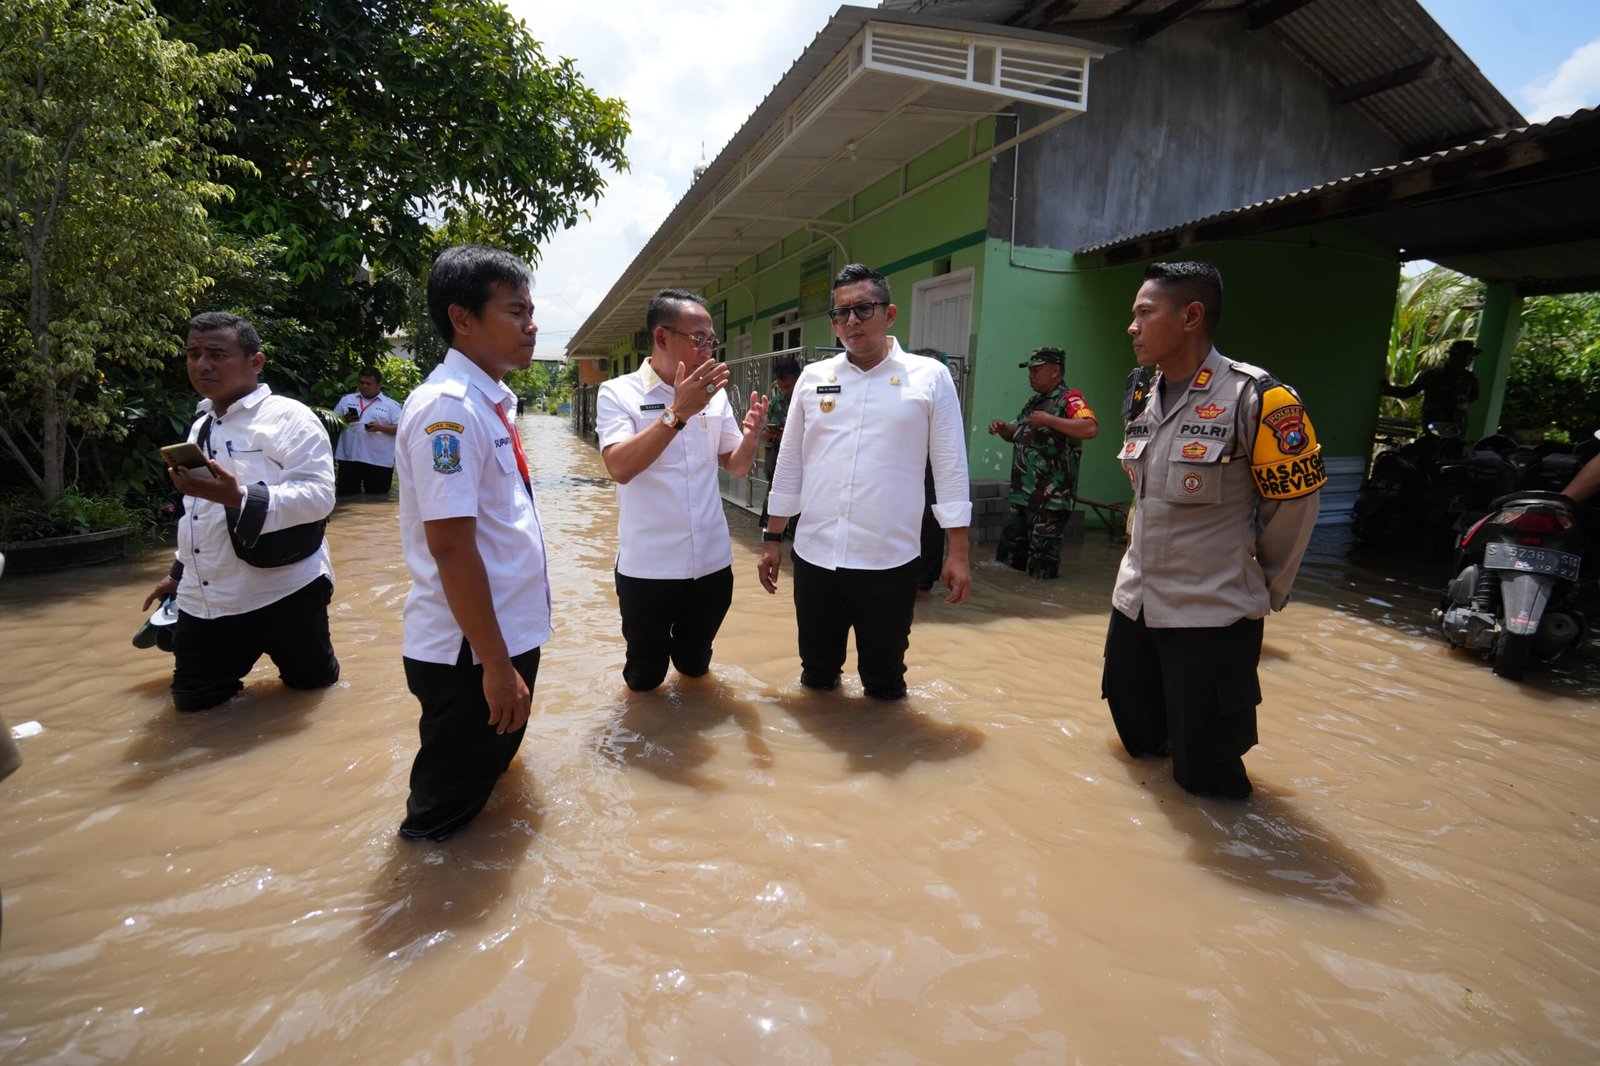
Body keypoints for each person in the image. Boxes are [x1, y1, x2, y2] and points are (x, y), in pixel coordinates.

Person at [1102, 261, 1325, 799]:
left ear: (1191, 316)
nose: (1131, 326)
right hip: (1136, 604)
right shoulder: (1139, 393)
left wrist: (1256, 588)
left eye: (1144, 313)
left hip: (1211, 617)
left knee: (1207, 777)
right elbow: (1145, 496)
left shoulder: (1261, 400)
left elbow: (1293, 509)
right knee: (1138, 742)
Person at [392, 245, 552, 841]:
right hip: (472, 654)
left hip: (499, 642)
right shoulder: (449, 413)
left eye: (530, 310)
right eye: (516, 311)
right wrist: (495, 666)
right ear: (463, 318)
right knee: (439, 825)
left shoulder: (491, 403)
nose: (531, 325)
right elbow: (452, 548)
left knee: (487, 786)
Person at [759, 263, 972, 700]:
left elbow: (950, 467)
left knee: (884, 682)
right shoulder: (814, 379)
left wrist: (959, 553)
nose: (851, 321)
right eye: (841, 313)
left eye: (863, 309)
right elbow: (790, 465)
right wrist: (771, 539)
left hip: (888, 562)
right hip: (816, 556)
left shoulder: (929, 378)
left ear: (889, 314)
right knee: (816, 677)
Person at [140, 312, 339, 711]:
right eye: (193, 354)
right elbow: (196, 510)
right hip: (207, 597)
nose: (201, 364)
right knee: (194, 705)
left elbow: (320, 496)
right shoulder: (201, 426)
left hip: (285, 589)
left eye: (216, 354)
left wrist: (240, 497)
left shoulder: (290, 418)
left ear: (256, 362)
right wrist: (178, 572)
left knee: (313, 691)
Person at [596, 289, 769, 692]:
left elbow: (737, 467)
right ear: (662, 337)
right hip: (649, 568)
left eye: (712, 340)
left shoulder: (717, 396)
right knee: (645, 676)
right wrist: (678, 413)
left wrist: (751, 437)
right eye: (699, 339)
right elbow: (620, 467)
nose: (708, 349)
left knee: (695, 666)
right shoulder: (618, 393)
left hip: (710, 565)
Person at [987, 346, 1099, 579]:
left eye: (1036, 370)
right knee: (1007, 564)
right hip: (1022, 496)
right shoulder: (1034, 402)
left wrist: (1050, 420)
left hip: (1050, 502)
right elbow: (1015, 433)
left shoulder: (1070, 400)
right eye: (1030, 371)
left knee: (1041, 571)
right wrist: (1002, 428)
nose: (1031, 375)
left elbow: (1089, 428)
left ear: (1055, 371)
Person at [1381, 339, 1480, 437]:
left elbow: (1473, 397)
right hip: (1435, 426)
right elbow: (1408, 392)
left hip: (1456, 428)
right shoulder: (1432, 375)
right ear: (1457, 356)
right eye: (1469, 355)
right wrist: (1387, 388)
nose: (1471, 359)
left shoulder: (1469, 378)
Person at [333, 366, 404, 496]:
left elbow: (402, 429)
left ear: (379, 385)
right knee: (346, 497)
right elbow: (333, 422)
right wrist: (345, 419)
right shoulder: (347, 400)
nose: (364, 386)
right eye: (361, 383)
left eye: (368, 384)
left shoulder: (391, 405)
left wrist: (380, 428)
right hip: (349, 458)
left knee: (378, 500)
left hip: (378, 461)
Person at [757, 355, 801, 537]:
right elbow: (767, 429)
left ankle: (793, 529)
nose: (784, 391)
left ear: (799, 378)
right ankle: (773, 528)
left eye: (789, 386)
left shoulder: (809, 397)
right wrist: (767, 433)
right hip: (777, 452)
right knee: (775, 486)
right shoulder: (776, 401)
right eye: (781, 387)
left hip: (801, 454)